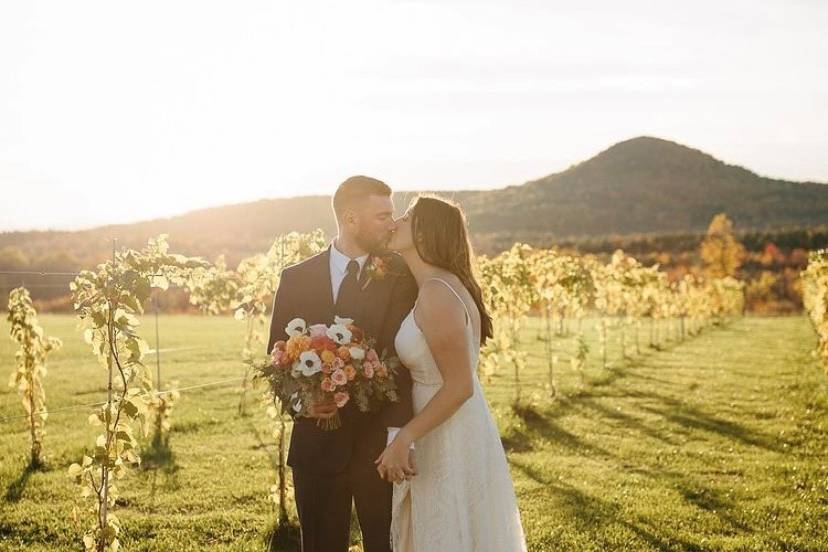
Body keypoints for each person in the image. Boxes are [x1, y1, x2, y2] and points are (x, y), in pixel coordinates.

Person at [266, 175, 418, 552]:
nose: (392, 223)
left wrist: (397, 436)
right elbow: (276, 355)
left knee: (386, 546)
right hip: (315, 448)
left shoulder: (401, 275)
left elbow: (401, 359)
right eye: (383, 215)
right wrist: (302, 403)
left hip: (379, 447)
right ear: (351, 219)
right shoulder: (295, 278)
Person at [375, 194, 527, 551]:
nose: (397, 222)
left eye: (408, 217)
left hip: (444, 430)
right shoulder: (437, 286)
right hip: (445, 424)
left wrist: (404, 438)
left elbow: (459, 386)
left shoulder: (437, 294)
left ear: (426, 234)